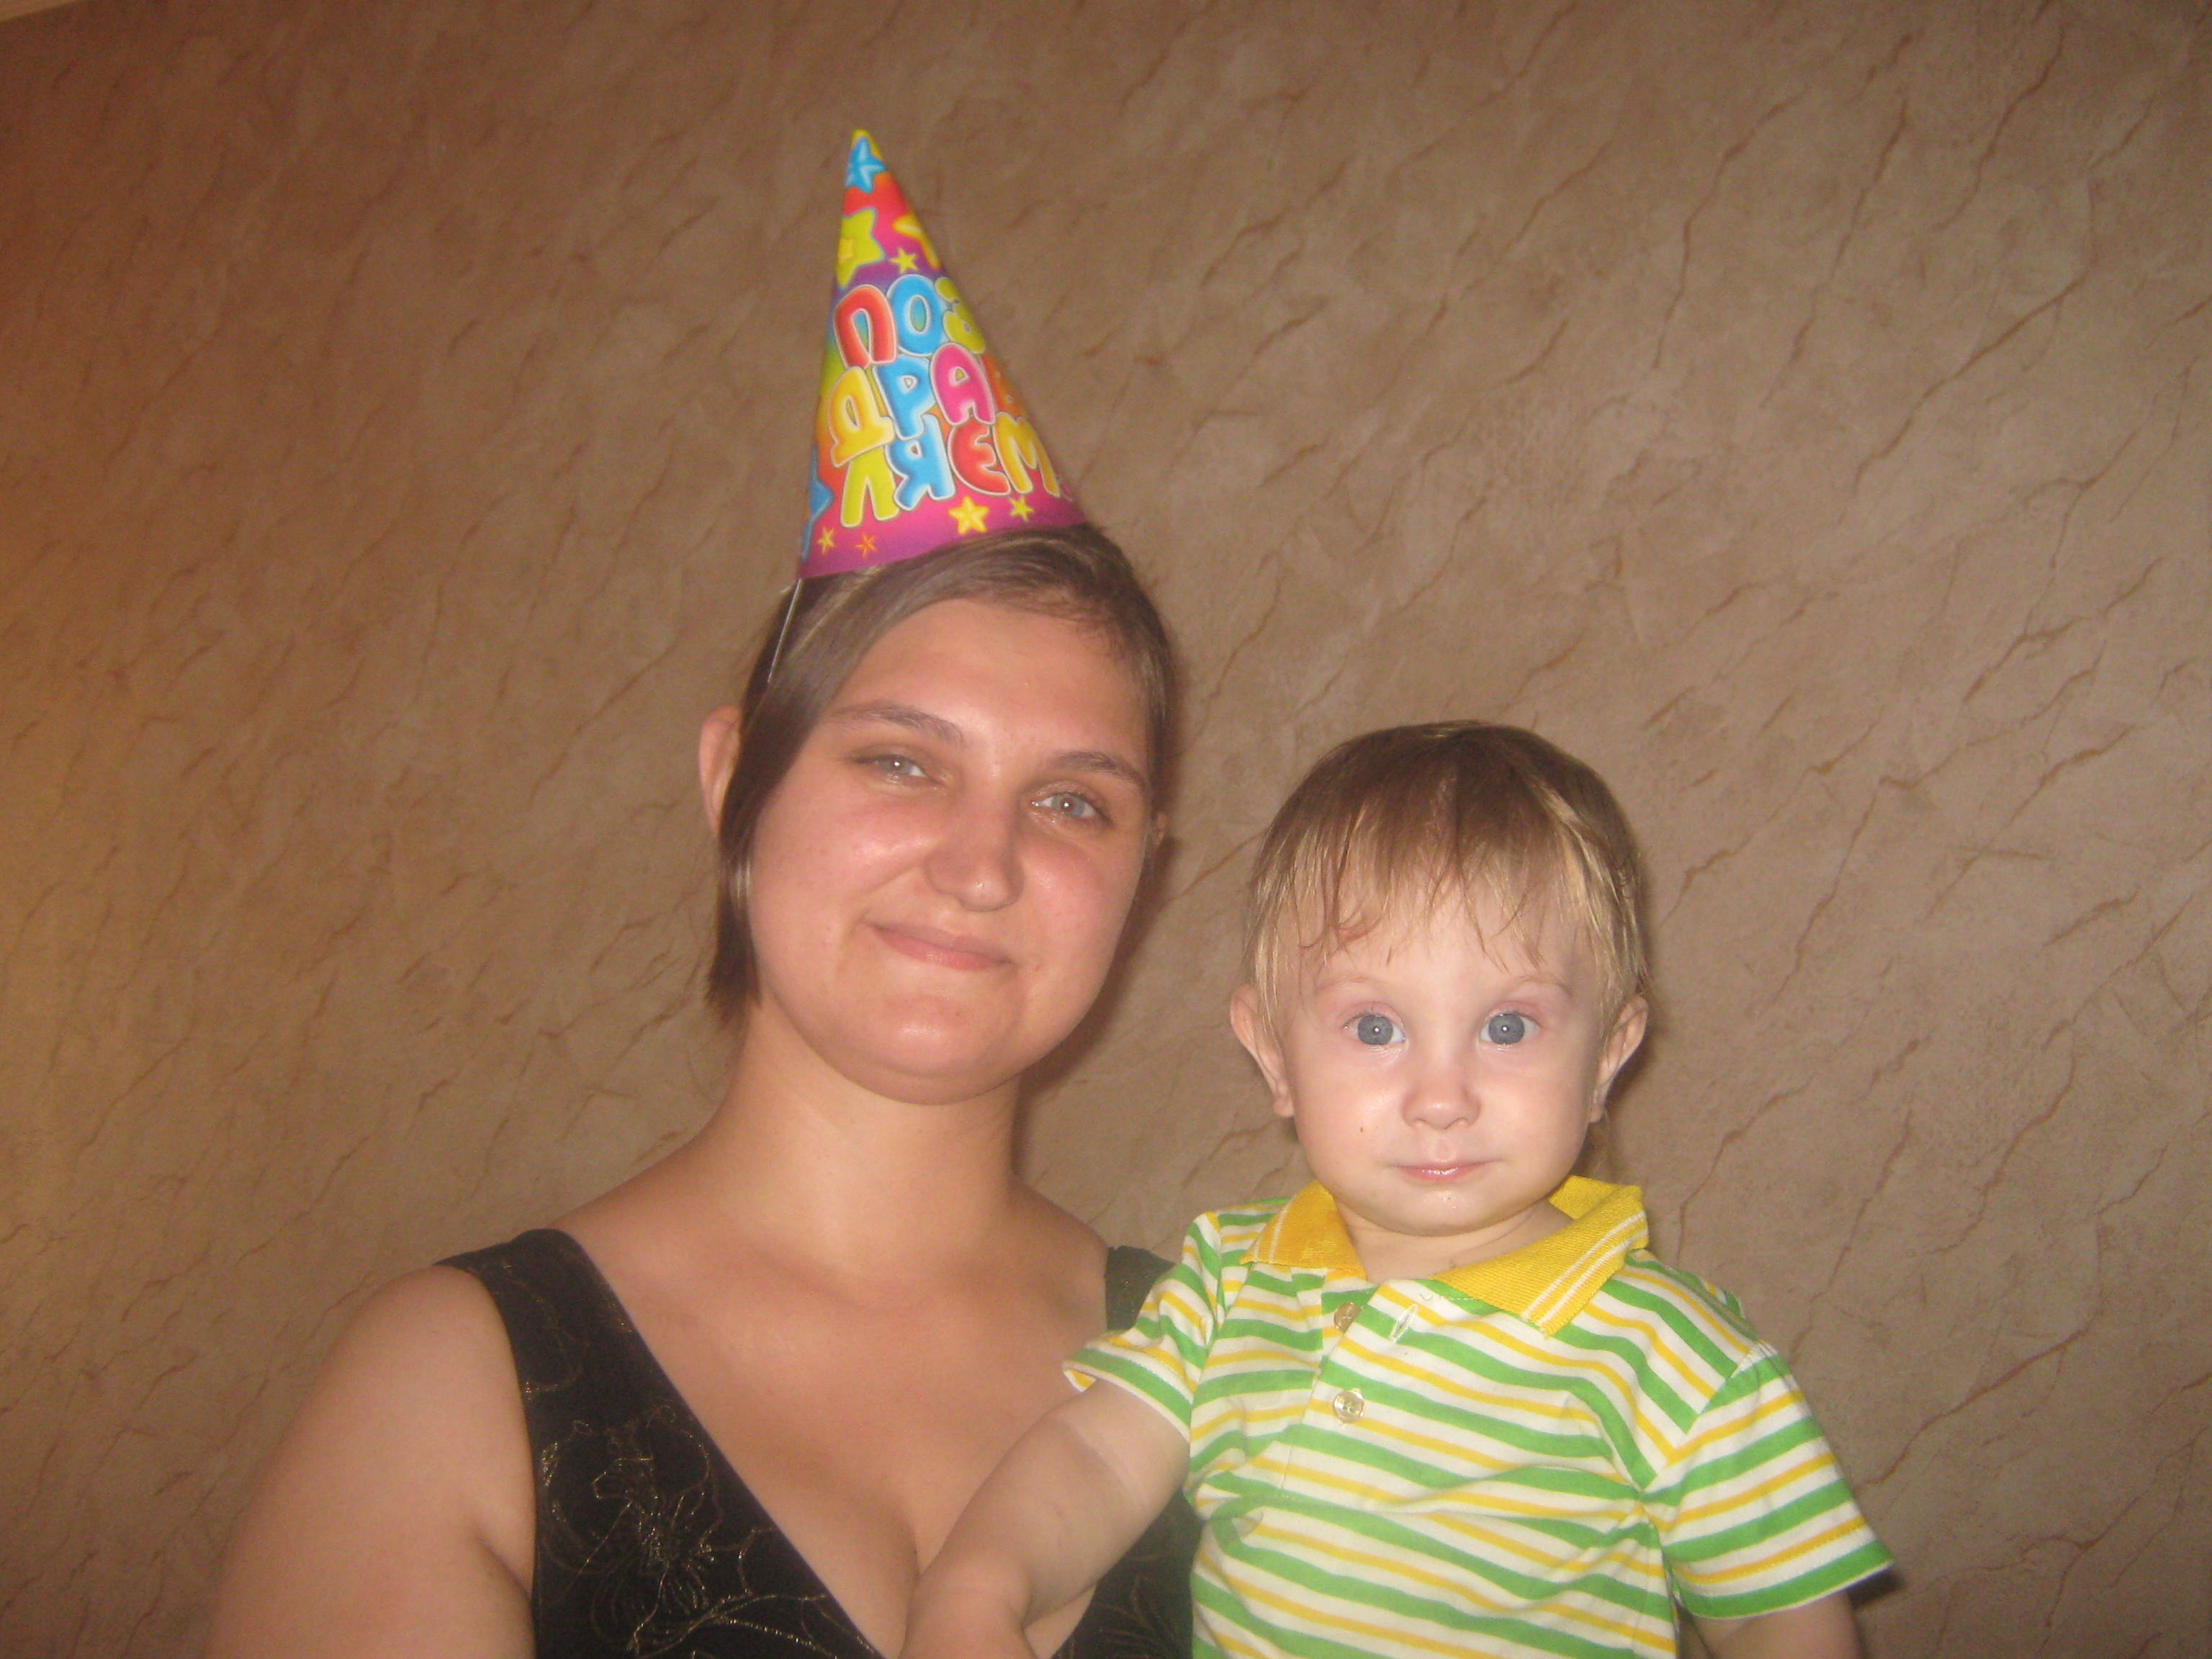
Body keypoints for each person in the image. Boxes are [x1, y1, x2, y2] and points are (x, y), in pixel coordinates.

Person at [207, 135, 1199, 1659]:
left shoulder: (1255, 1367)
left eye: (1074, 801)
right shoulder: (455, 1389)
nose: (983, 862)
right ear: (737, 783)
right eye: (900, 761)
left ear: (1142, 873)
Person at [904, 723, 1894, 1659]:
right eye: (1376, 1029)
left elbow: (1777, 1625)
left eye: (1508, 1028)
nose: (1441, 1099)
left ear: (1607, 1055)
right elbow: (1098, 1461)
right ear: (1274, 1055)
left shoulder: (1682, 1357)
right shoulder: (1227, 1282)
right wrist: (973, 1593)